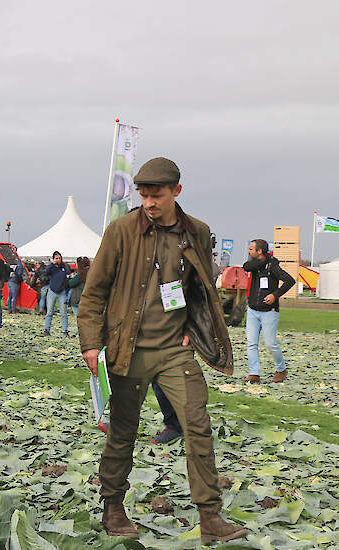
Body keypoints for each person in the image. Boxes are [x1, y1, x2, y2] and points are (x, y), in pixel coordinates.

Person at [78, 157, 246, 543]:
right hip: (127, 350)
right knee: (123, 431)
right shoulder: (121, 231)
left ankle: (210, 517)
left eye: (157, 195)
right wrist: (90, 344)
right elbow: (94, 292)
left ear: (176, 192)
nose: (149, 202)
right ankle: (113, 508)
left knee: (197, 427)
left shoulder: (197, 232)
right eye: (144, 195)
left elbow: (200, 287)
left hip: (174, 351)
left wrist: (193, 327)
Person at [242, 238, 295, 383]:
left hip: (269, 312)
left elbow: (290, 280)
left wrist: (275, 295)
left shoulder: (273, 266)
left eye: (251, 249)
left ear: (259, 251)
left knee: (270, 343)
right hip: (252, 310)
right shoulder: (254, 264)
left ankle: (281, 369)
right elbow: (245, 266)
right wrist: (260, 261)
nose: (249, 251)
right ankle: (254, 374)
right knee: (251, 343)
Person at [43, 251, 72, 336]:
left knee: (63, 312)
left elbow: (69, 272)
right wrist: (52, 264)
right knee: (49, 312)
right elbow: (45, 272)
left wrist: (64, 266)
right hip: (52, 291)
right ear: (53, 259)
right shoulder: (51, 267)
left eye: (59, 258)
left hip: (62, 292)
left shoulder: (64, 266)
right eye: (56, 258)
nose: (58, 260)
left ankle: (65, 331)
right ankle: (46, 330)